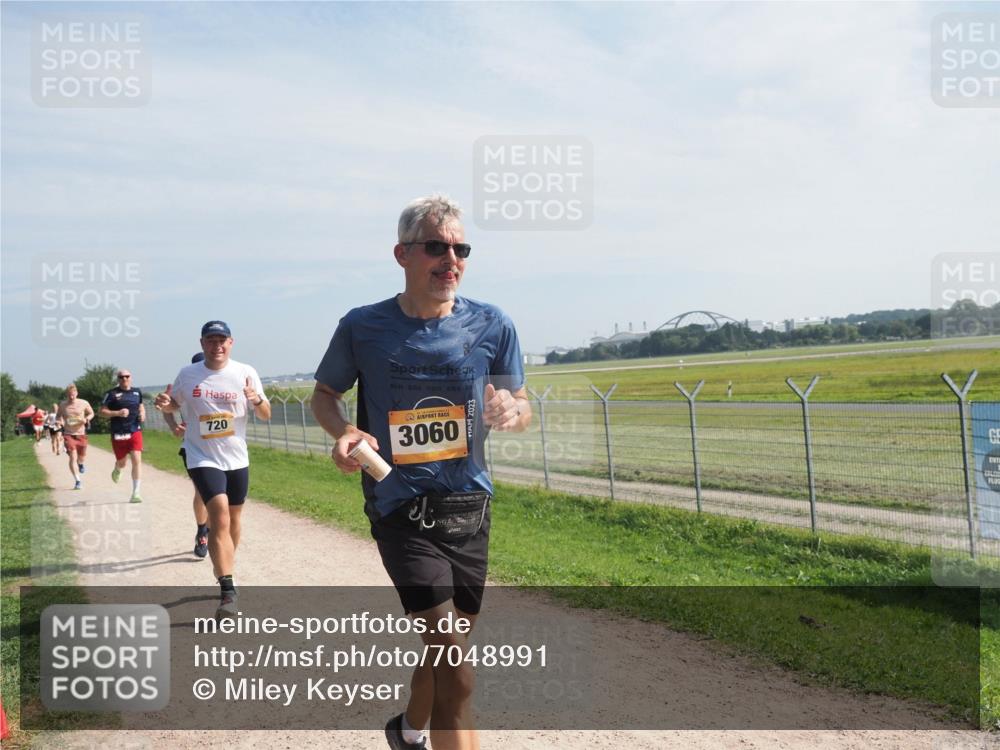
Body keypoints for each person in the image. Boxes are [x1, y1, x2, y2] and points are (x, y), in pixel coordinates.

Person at [311, 195, 531, 750]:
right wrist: (345, 432)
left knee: (442, 650)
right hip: (401, 508)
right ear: (402, 254)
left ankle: (407, 732)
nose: (450, 258)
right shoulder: (363, 326)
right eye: (436, 247)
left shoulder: (492, 323)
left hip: (469, 510)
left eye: (460, 248)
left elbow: (521, 402)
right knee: (457, 665)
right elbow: (325, 395)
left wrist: (514, 410)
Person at [154, 321, 271, 619]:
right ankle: (228, 593)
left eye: (222, 340)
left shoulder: (245, 372)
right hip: (201, 456)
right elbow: (172, 405)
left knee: (233, 519)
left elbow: (265, 413)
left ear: (231, 342)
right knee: (218, 516)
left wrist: (255, 398)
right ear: (202, 343)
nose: (216, 345)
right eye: (211, 340)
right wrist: (165, 404)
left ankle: (225, 566)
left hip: (236, 458)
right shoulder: (188, 373)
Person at [163, 352, 211, 558]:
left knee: (223, 496)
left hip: (223, 449)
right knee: (202, 492)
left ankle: (212, 529)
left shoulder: (220, 382)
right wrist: (174, 426)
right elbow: (167, 407)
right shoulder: (185, 382)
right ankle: (202, 531)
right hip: (193, 448)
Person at [100, 369, 146, 503]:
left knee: (137, 460)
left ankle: (136, 492)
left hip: (134, 430)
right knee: (122, 462)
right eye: (121, 377)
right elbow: (101, 411)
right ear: (118, 379)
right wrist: (117, 413)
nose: (124, 379)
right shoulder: (111, 394)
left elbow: (141, 406)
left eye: (127, 376)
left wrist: (142, 414)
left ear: (131, 377)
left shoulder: (137, 392)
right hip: (118, 433)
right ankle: (117, 468)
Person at [57, 384, 94, 490]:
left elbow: (91, 413)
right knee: (72, 457)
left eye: (73, 395)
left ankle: (80, 463)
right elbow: (58, 416)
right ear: (67, 395)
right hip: (69, 434)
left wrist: (87, 419)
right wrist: (59, 421)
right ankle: (77, 480)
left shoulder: (84, 403)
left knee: (81, 457)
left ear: (76, 393)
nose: (71, 397)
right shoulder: (63, 405)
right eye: (69, 395)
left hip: (81, 434)